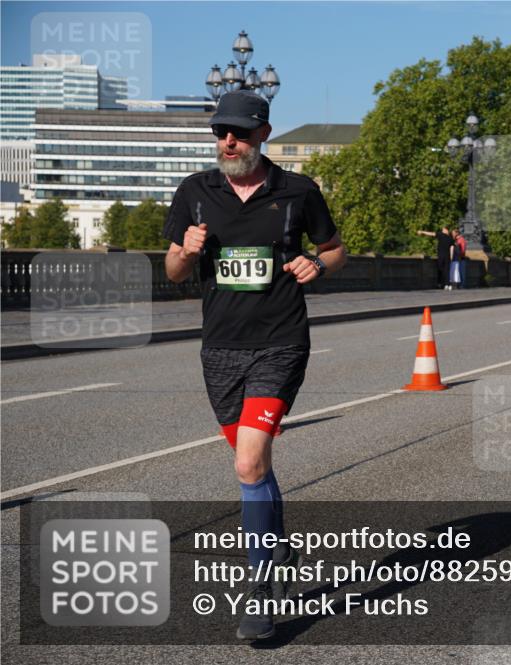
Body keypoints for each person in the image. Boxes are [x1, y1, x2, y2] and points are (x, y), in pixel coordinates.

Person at [163, 90, 347, 640]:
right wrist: (186, 252)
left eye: (239, 132)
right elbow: (172, 272)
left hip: (280, 342)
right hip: (219, 349)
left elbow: (336, 248)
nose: (228, 141)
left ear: (263, 133)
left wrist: (318, 264)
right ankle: (279, 547)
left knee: (247, 464)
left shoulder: (298, 191)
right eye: (220, 132)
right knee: (256, 468)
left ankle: (261, 592)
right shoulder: (194, 193)